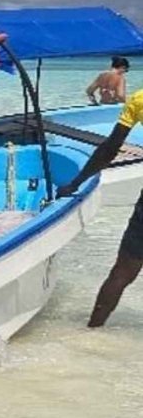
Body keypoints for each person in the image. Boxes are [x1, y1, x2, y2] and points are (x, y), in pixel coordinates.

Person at [56, 87, 143, 326]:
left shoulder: (139, 99)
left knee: (123, 271)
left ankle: (92, 330)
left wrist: (76, 182)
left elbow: (109, 149)